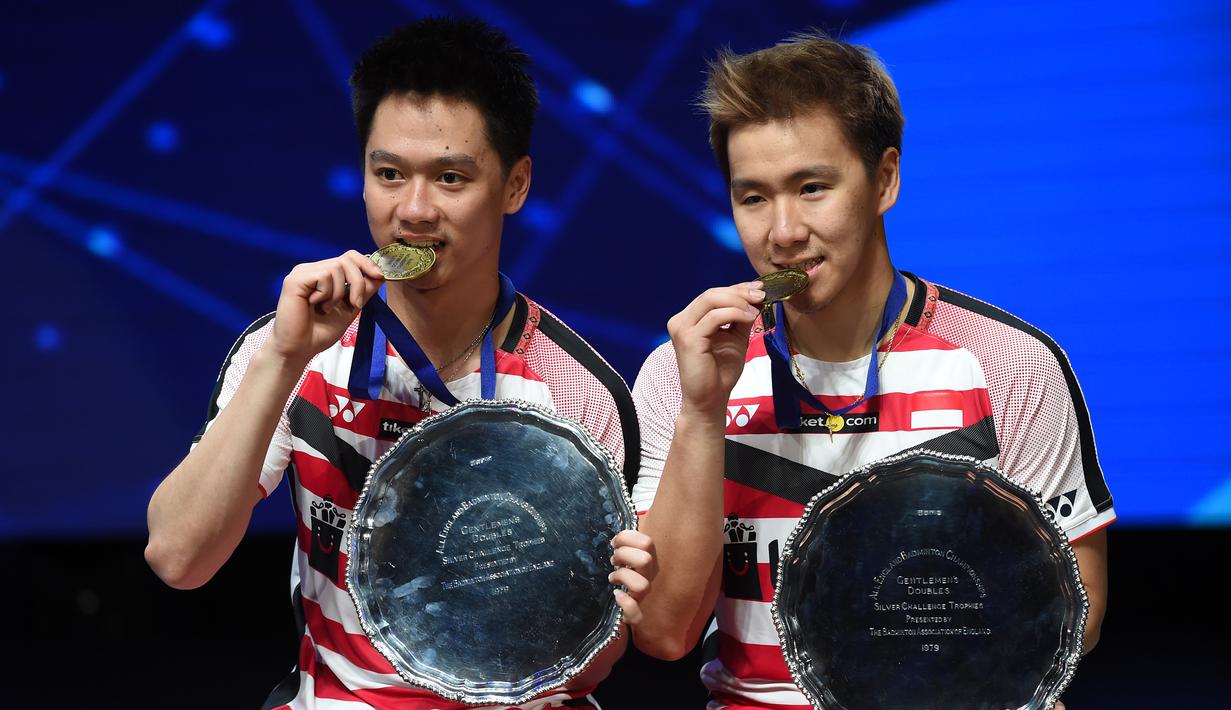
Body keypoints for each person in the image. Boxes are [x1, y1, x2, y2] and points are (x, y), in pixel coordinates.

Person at [145, 18, 656, 710]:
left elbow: (593, 656)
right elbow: (178, 559)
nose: (412, 211)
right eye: (389, 175)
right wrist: (286, 359)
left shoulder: (579, 392)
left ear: (514, 185)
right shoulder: (290, 350)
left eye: (450, 178)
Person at [629, 31, 1112, 709]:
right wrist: (702, 414)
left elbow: (1077, 616)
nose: (783, 231)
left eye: (812, 187)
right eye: (753, 198)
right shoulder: (678, 373)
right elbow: (665, 631)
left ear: (883, 179)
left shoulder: (1008, 363)